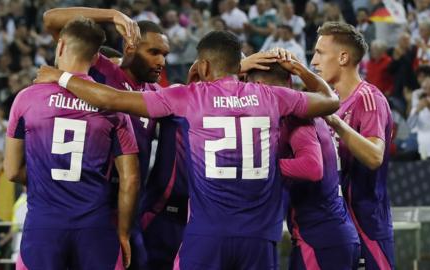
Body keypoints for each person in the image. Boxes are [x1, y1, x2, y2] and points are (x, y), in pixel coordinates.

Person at [34, 30, 339, 268]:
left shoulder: (189, 96)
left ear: (204, 66)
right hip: (260, 238)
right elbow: (330, 101)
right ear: (238, 66)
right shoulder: (273, 96)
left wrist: (60, 77)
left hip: (206, 236)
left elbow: (110, 100)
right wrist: (299, 70)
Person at [3, 17, 140, 269]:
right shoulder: (112, 105)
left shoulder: (27, 98)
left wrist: (50, 180)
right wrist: (123, 234)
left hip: (44, 225)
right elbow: (130, 179)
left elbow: (11, 170)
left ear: (61, 45)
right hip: (96, 226)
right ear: (95, 55)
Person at [43, 8, 169, 269]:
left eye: (165, 55)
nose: (161, 62)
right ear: (131, 46)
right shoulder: (105, 71)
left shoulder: (156, 93)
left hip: (126, 212)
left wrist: (240, 64)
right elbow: (51, 20)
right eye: (154, 52)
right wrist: (113, 15)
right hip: (89, 207)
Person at [247, 63, 360, 269]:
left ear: (259, 86)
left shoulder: (294, 117)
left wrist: (261, 165)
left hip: (319, 241)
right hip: (331, 237)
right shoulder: (303, 111)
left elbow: (312, 167)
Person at [311, 21, 394, 270]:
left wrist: (335, 123)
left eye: (320, 53)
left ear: (343, 57)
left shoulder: (369, 98)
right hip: (336, 225)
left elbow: (374, 155)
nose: (314, 61)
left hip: (367, 223)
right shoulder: (330, 101)